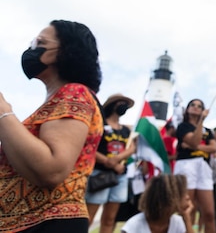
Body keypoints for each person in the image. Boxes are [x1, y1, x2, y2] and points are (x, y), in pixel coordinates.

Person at [0, 20, 103, 232]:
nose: (32, 48)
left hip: (48, 224)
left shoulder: (74, 93)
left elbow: (51, 170)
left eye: (40, 42)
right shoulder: (57, 101)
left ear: (65, 51)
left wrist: (3, 111)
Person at [86, 93, 137, 233]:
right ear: (112, 105)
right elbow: (89, 147)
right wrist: (108, 161)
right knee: (89, 217)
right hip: (100, 174)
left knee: (110, 219)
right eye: (121, 103)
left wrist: (116, 160)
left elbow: (132, 147)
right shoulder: (99, 124)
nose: (124, 106)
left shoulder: (126, 130)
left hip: (120, 177)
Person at [174, 99, 216, 233]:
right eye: (192, 105)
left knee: (209, 213)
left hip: (204, 167)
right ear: (187, 109)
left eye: (199, 106)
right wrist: (200, 124)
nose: (196, 108)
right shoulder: (183, 126)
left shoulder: (208, 130)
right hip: (186, 165)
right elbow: (194, 140)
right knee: (188, 210)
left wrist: (195, 146)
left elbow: (214, 147)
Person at [121, 173, 194, 233]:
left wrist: (186, 218)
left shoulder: (178, 222)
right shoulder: (134, 226)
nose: (187, 197)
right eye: (182, 193)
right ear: (168, 199)